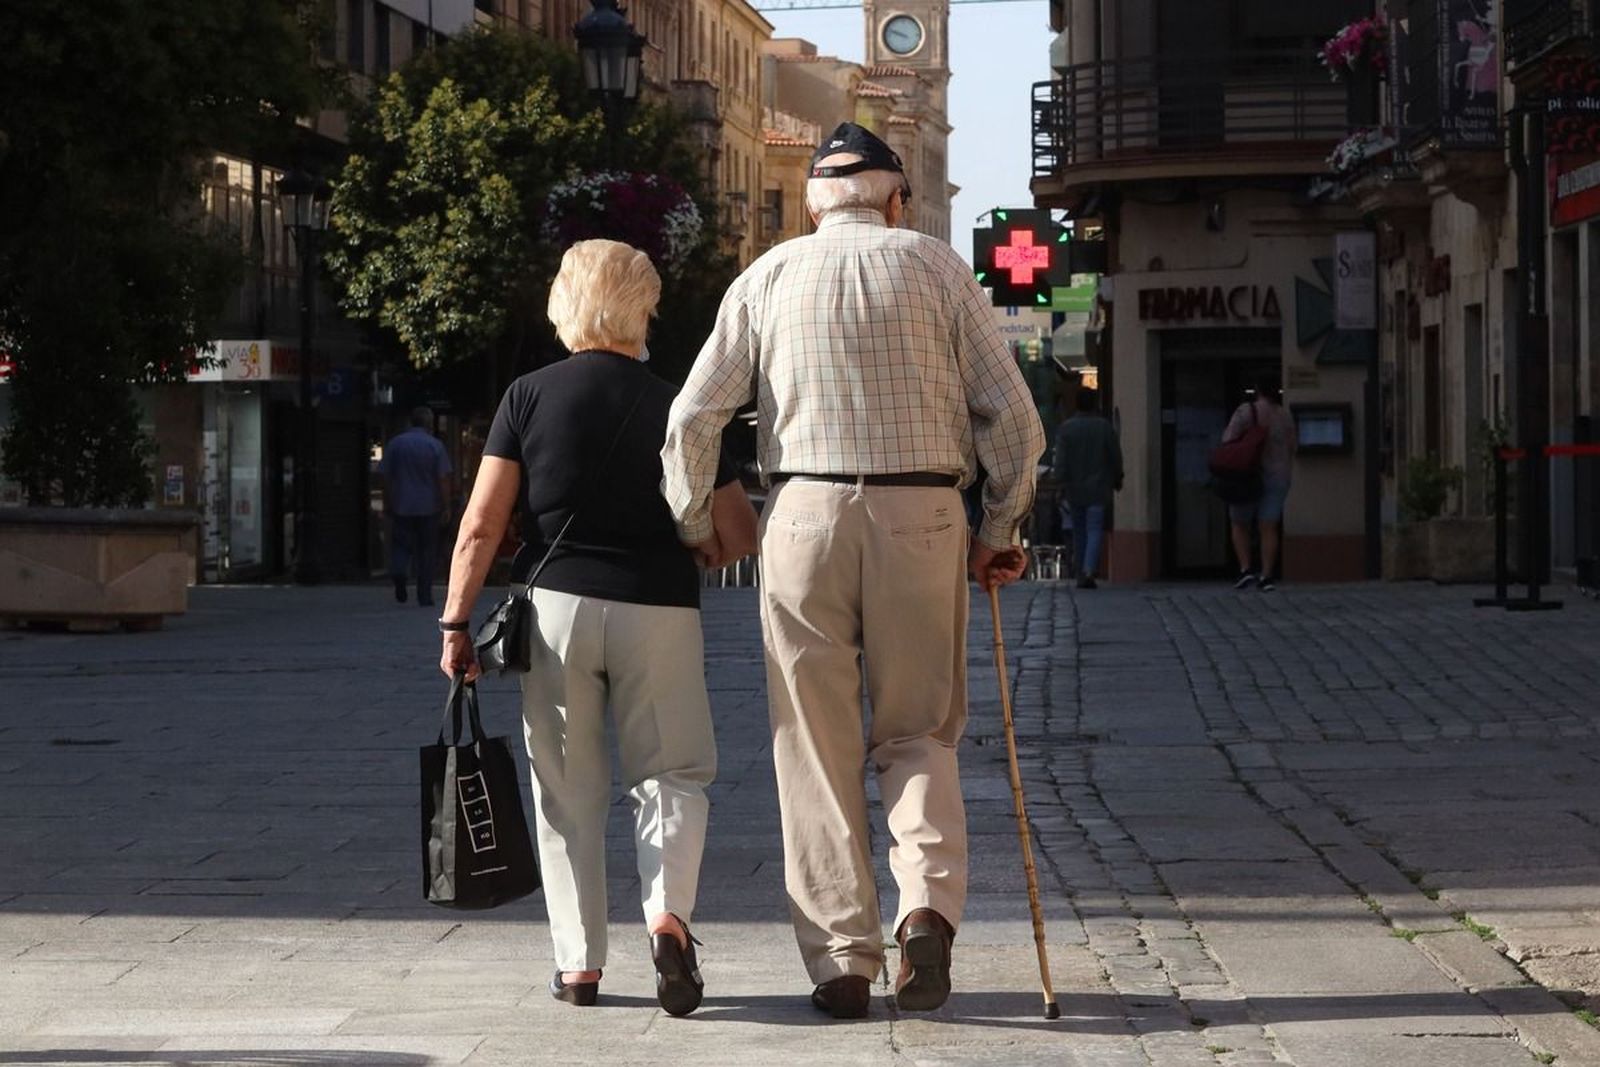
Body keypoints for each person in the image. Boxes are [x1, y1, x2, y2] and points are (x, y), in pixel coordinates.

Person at [661, 122, 1045, 1019]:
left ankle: (841, 959)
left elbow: (691, 418)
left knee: (812, 741)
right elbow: (1015, 422)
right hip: (923, 513)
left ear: (811, 202)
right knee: (918, 731)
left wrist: (693, 523)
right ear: (897, 199)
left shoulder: (767, 275)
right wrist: (997, 527)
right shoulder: (939, 267)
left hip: (802, 514)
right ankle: (924, 913)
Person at [436, 240, 758, 1015]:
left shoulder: (528, 396)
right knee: (674, 772)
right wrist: (699, 542)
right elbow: (738, 529)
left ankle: (579, 964)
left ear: (564, 305)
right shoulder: (678, 402)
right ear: (642, 307)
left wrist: (455, 619)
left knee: (567, 790)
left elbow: (482, 523)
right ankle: (666, 916)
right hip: (661, 607)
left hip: (557, 613)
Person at [1222, 375, 1297, 591]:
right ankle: (1267, 575)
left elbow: (1228, 440)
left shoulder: (1246, 411)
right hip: (1279, 475)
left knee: (1239, 522)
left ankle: (1246, 570)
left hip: (1247, 475)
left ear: (1257, 390)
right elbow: (1293, 446)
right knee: (1269, 526)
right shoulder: (1284, 415)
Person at [1051, 387, 1123, 589]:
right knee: (1094, 529)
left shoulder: (1067, 428)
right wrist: (1118, 477)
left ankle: (1080, 571)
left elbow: (1061, 462)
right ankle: (1089, 569)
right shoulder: (1104, 427)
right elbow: (1114, 456)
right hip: (1099, 488)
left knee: (1079, 532)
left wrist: (1060, 483)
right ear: (1094, 404)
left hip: (1075, 489)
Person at [382, 406, 452, 606]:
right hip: (428, 506)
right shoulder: (435, 446)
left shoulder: (396, 444)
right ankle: (424, 594)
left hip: (401, 504)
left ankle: (399, 571)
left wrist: (388, 501)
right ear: (429, 423)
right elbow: (443, 478)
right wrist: (446, 505)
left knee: (401, 544)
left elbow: (386, 477)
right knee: (427, 550)